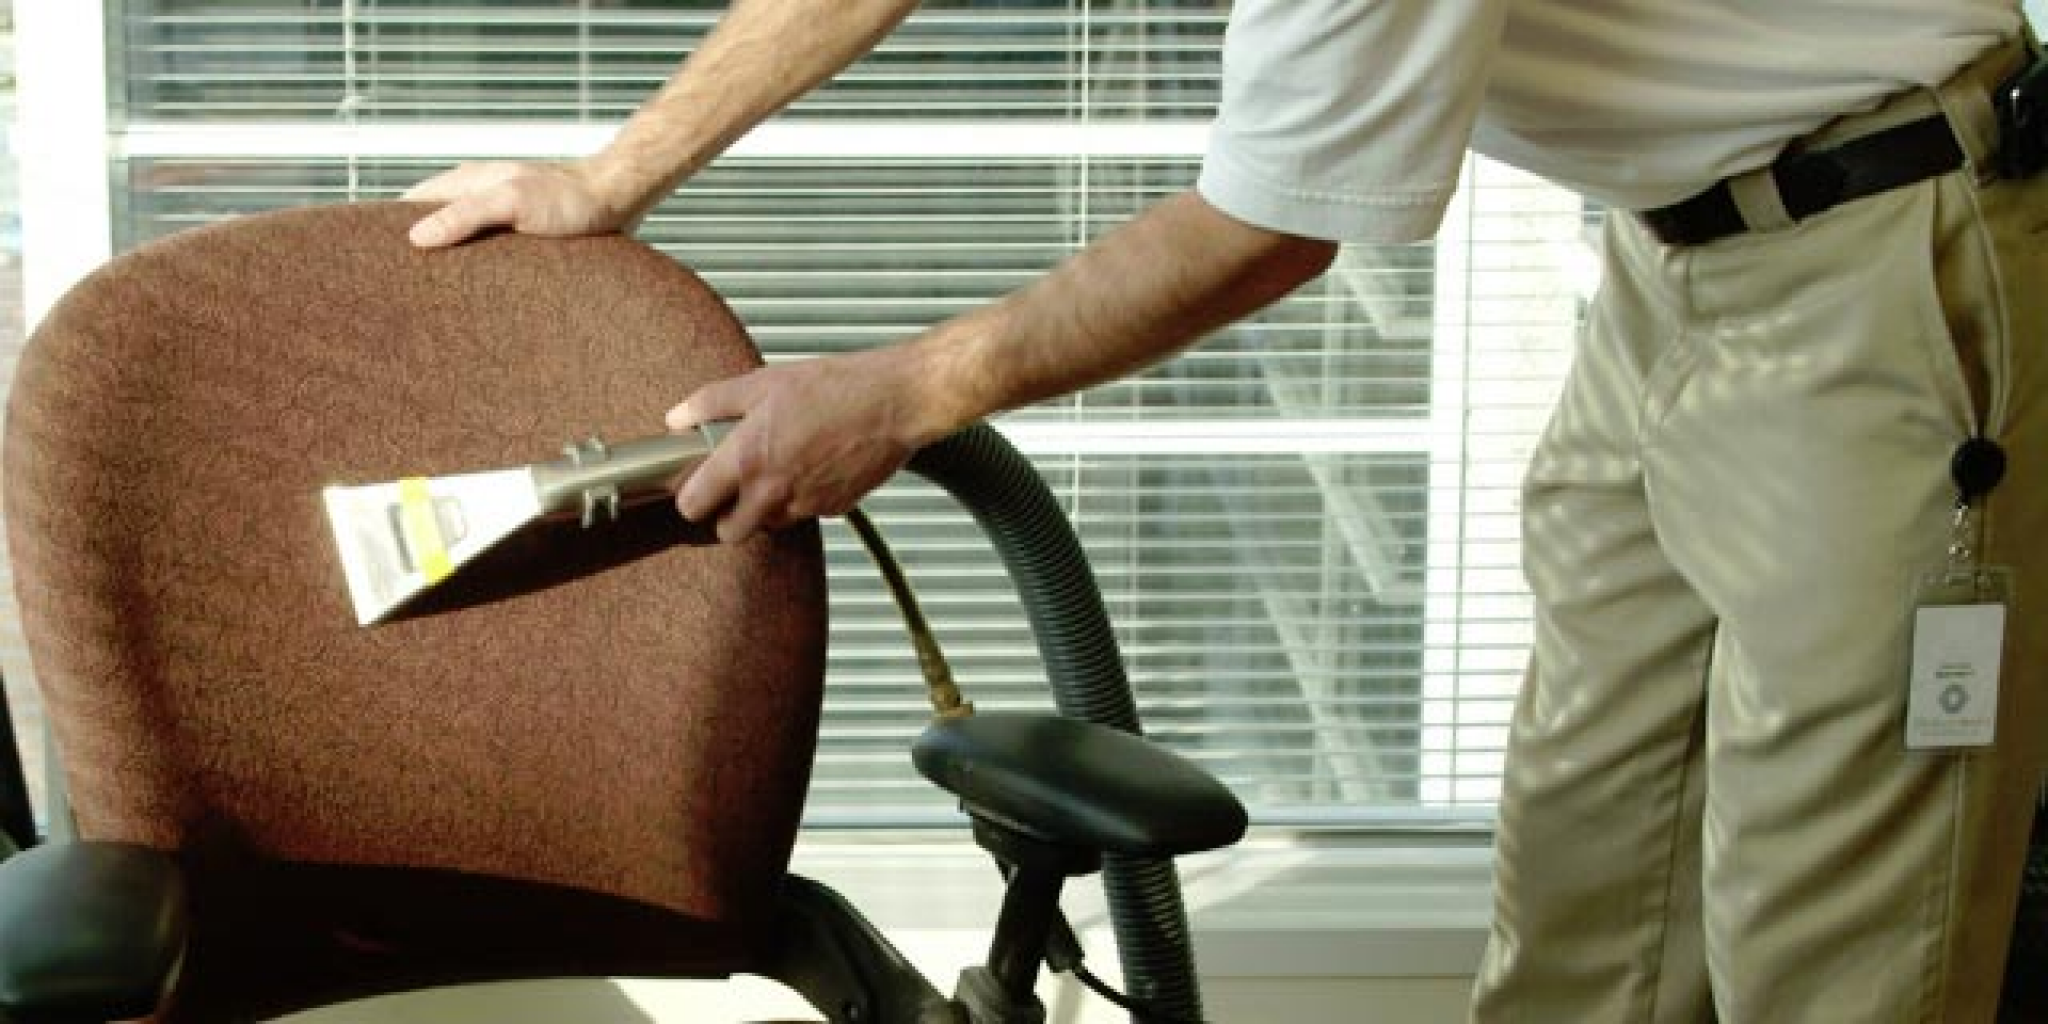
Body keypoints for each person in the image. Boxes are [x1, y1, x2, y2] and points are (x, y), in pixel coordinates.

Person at [403, 2, 2048, 1019]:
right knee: (1587, 873)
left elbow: (1272, 223)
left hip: (1881, 247)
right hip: (1673, 251)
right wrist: (620, 172)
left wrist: (899, 396)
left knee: (1835, 931)